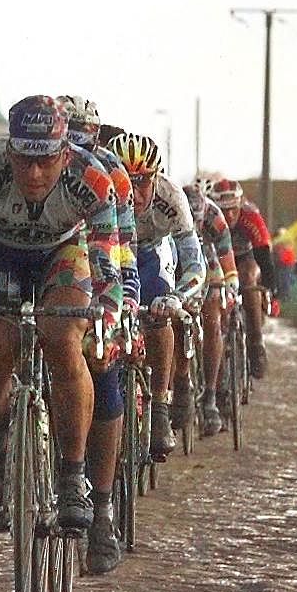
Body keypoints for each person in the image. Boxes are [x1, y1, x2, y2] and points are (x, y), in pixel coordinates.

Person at [0, 94, 123, 537]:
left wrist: (109, 320)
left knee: (64, 340)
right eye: (24, 161)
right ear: (9, 151)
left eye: (46, 162)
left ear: (65, 154)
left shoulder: (92, 178)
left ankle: (73, 477)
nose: (34, 174)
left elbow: (108, 266)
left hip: (64, 250)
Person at [56, 95, 139, 574]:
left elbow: (123, 251)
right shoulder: (27, 165)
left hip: (100, 266)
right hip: (44, 265)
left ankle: (103, 508)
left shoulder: (111, 175)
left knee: (103, 371)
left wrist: (121, 308)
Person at [107, 133, 205, 454]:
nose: (133, 193)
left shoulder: (171, 197)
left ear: (156, 177)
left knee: (159, 314)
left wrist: (177, 297)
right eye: (125, 182)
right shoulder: (98, 191)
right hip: (111, 252)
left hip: (152, 253)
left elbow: (195, 264)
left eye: (142, 183)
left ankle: (160, 405)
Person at [179, 183, 239, 435]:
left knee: (213, 320)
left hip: (208, 257)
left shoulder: (214, 216)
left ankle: (211, 396)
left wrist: (231, 285)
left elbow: (226, 257)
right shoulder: (171, 210)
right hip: (178, 255)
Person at [209, 179, 277, 379]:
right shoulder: (209, 216)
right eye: (224, 210)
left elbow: (264, 257)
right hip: (219, 258)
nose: (230, 215)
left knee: (248, 279)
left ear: (241, 204)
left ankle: (256, 343)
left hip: (247, 257)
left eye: (234, 209)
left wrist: (272, 291)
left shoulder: (250, 215)